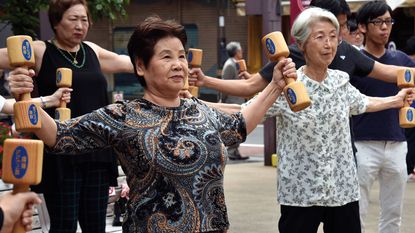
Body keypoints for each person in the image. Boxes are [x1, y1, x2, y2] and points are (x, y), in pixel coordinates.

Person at [8, 15, 297, 233]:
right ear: (141, 67)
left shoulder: (199, 109)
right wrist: (26, 94)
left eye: (182, 56)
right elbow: (58, 135)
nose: (178, 64)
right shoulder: (122, 115)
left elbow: (240, 124)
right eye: (167, 56)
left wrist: (274, 86)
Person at [241, 7, 413, 233]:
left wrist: (396, 100)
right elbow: (245, 112)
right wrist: (197, 103)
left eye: (333, 36)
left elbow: (363, 103)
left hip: (342, 189)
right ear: (301, 45)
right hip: (301, 192)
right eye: (320, 37)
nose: (329, 44)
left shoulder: (341, 81)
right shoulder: (288, 86)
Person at [0, 1, 134, 232]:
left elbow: (133, 64)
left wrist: (168, 62)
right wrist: (16, 79)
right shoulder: (41, 50)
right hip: (60, 150)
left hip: (97, 151)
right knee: (64, 226)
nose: (80, 25)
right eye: (73, 19)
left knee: (96, 226)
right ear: (55, 21)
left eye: (84, 20)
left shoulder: (92, 50)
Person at [188, 0, 409, 98]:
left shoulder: (347, 52)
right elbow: (251, 88)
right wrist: (206, 81)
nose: (336, 37)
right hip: (300, 163)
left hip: (342, 157)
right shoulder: (289, 57)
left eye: (339, 28)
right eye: (325, 32)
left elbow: (390, 75)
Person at [351, 2, 415, 233]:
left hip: (397, 143)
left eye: (388, 21)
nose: (384, 27)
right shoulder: (354, 61)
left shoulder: (402, 61)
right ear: (362, 27)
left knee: (393, 213)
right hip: (362, 144)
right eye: (378, 22)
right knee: (356, 211)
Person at [221, 42, 248, 160]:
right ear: (237, 52)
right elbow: (224, 85)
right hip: (231, 100)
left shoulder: (237, 64)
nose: (242, 53)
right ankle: (231, 151)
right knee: (233, 127)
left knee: (239, 126)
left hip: (238, 99)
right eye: (241, 51)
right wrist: (223, 99)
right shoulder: (229, 65)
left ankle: (235, 150)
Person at [403, 35, 415, 181]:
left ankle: (408, 169)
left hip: (407, 107)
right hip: (410, 106)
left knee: (410, 140)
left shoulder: (404, 62)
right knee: (411, 141)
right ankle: (408, 168)